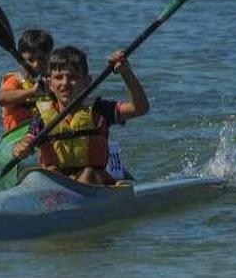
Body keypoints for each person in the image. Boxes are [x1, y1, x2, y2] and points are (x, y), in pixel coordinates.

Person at [12, 46, 149, 185]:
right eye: (59, 78)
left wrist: (126, 72)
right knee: (49, 172)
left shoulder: (100, 110)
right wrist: (21, 147)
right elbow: (28, 139)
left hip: (94, 183)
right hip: (57, 183)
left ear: (87, 82)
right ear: (50, 84)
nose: (65, 83)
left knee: (88, 174)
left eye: (73, 77)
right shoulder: (42, 117)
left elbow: (140, 108)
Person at [0, 29, 54, 133]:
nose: (36, 65)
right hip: (17, 135)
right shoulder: (16, 80)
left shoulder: (54, 81)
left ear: (50, 58)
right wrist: (31, 92)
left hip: (45, 132)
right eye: (30, 60)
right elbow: (1, 98)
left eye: (41, 59)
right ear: (20, 61)